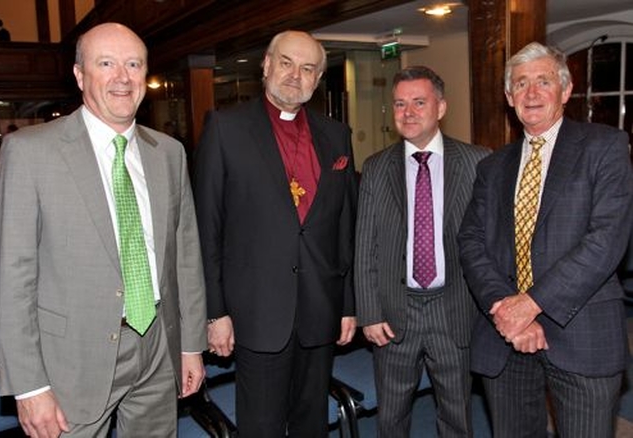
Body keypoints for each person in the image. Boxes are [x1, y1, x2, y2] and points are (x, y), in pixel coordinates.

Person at [0, 22, 207, 437]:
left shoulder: (169, 153)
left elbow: (185, 255)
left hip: (157, 347)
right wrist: (30, 385)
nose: (122, 77)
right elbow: (11, 278)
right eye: (106, 63)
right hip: (70, 360)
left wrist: (190, 345)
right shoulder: (31, 152)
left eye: (133, 64)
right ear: (79, 75)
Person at [457, 41, 633, 438]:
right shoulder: (492, 166)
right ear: (508, 96)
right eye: (521, 84)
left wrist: (532, 304)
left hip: (582, 331)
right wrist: (505, 309)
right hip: (503, 334)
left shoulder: (605, 147)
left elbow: (606, 240)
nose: (532, 93)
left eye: (543, 81)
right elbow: (470, 240)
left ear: (566, 91)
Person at [193, 30, 358, 437]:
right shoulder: (225, 129)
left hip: (320, 310)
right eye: (286, 63)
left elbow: (345, 229)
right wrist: (215, 312)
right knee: (261, 428)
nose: (294, 75)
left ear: (318, 79)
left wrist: (348, 304)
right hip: (256, 313)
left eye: (307, 69)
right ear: (266, 65)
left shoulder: (337, 136)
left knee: (311, 424)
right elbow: (206, 228)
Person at [354, 66, 489, 438]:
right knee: (391, 418)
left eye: (418, 102)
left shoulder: (478, 163)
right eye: (399, 104)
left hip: (455, 309)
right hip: (396, 311)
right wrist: (369, 312)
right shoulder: (376, 168)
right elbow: (365, 246)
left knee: (456, 415)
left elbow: (490, 246)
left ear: (441, 107)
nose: (408, 112)